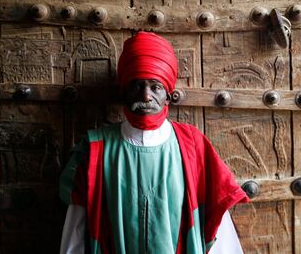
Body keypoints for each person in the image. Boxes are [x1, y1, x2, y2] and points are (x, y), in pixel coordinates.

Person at [59, 32, 250, 254]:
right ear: (124, 92)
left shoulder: (192, 145)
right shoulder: (95, 150)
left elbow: (218, 229)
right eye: (137, 86)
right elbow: (76, 229)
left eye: (155, 87)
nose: (146, 96)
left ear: (168, 94)